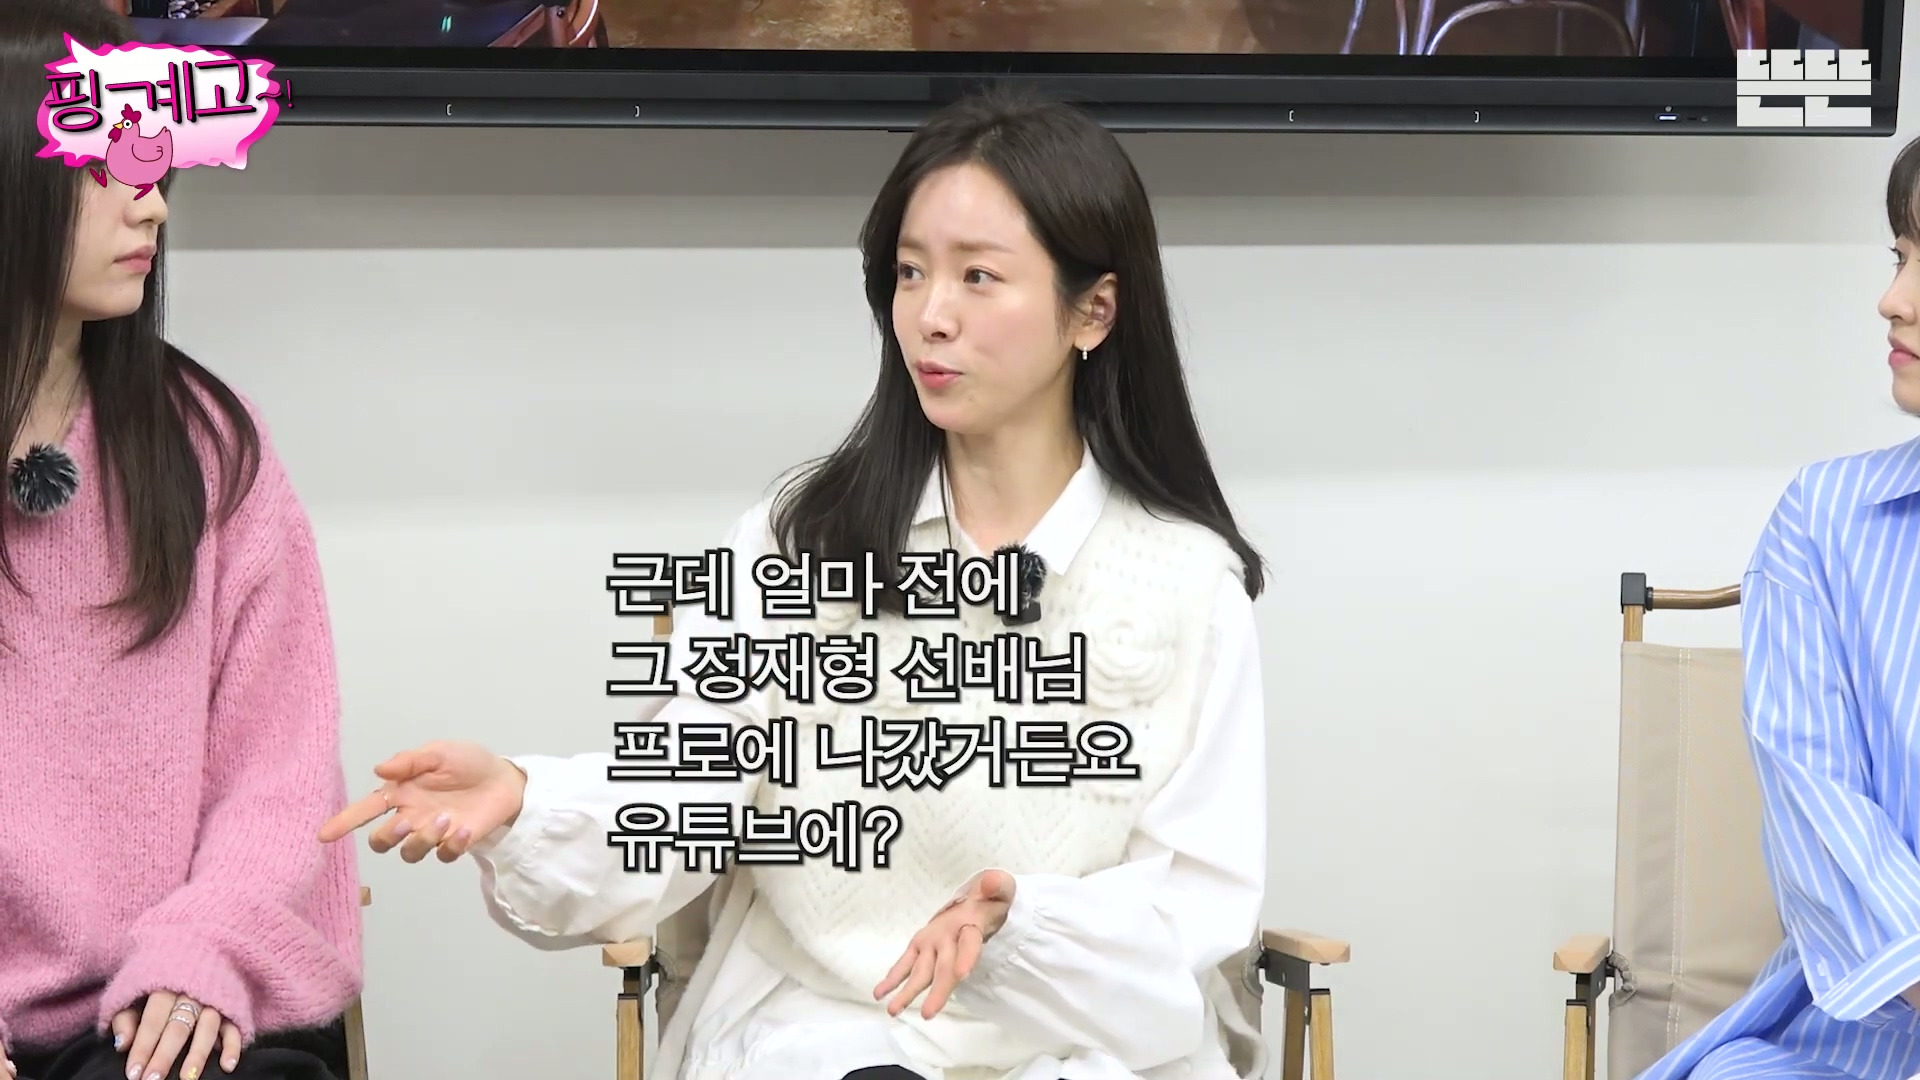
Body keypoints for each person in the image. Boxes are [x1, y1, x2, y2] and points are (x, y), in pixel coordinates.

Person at [321, 89, 1270, 1080]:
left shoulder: (1187, 581)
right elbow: (687, 789)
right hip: (829, 1026)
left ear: (1094, 311)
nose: (931, 316)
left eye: (978, 277)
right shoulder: (798, 540)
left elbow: (1191, 904)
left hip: (1077, 1042)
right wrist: (525, 800)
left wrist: (1022, 925)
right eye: (910, 272)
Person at [0, 3, 364, 1080]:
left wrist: (202, 952)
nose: (151, 197)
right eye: (102, 164)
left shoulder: (211, 447)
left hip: (168, 1017)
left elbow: (282, 770)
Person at [1632, 134, 1920, 1080]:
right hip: (1851, 1046)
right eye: (1899, 255)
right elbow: (1821, 820)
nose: (1893, 299)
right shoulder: (1823, 524)